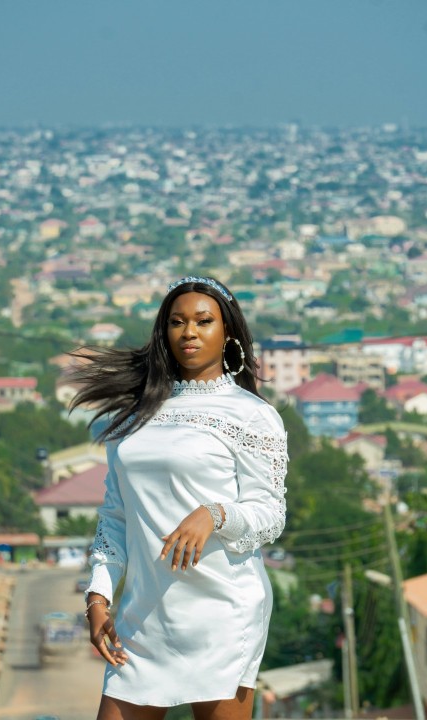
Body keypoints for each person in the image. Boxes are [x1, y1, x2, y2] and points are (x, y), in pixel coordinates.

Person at [69, 276, 289, 720]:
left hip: (221, 614)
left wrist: (215, 514)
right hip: (144, 616)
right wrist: (98, 597)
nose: (189, 331)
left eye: (203, 321)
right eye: (177, 322)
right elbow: (115, 517)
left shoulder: (252, 414)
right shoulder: (135, 415)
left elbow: (271, 514)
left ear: (227, 333)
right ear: (164, 333)